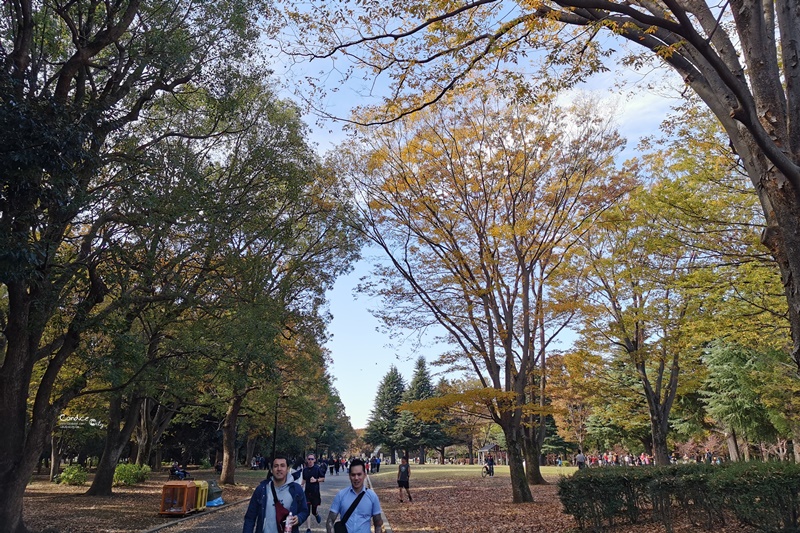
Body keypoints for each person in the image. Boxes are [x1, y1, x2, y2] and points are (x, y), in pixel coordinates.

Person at [243, 454, 309, 533]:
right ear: (271, 470)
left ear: (287, 469)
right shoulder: (261, 489)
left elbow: (305, 511)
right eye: (276, 466)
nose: (279, 469)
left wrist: (299, 518)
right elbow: (250, 517)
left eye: (282, 466)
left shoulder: (296, 489)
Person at [326, 459, 384, 533]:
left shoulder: (372, 496)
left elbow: (378, 523)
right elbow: (330, 521)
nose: (356, 478)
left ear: (364, 475)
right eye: (353, 475)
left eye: (359, 474)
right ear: (349, 476)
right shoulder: (341, 495)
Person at [301, 453, 326, 533]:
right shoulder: (304, 470)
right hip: (307, 493)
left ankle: (316, 514)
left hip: (315, 492)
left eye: (312, 459)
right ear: (307, 460)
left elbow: (323, 478)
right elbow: (304, 480)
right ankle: (308, 529)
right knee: (307, 510)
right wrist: (300, 485)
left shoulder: (317, 469)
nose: (310, 461)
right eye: (309, 459)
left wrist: (316, 480)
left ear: (315, 460)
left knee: (313, 511)